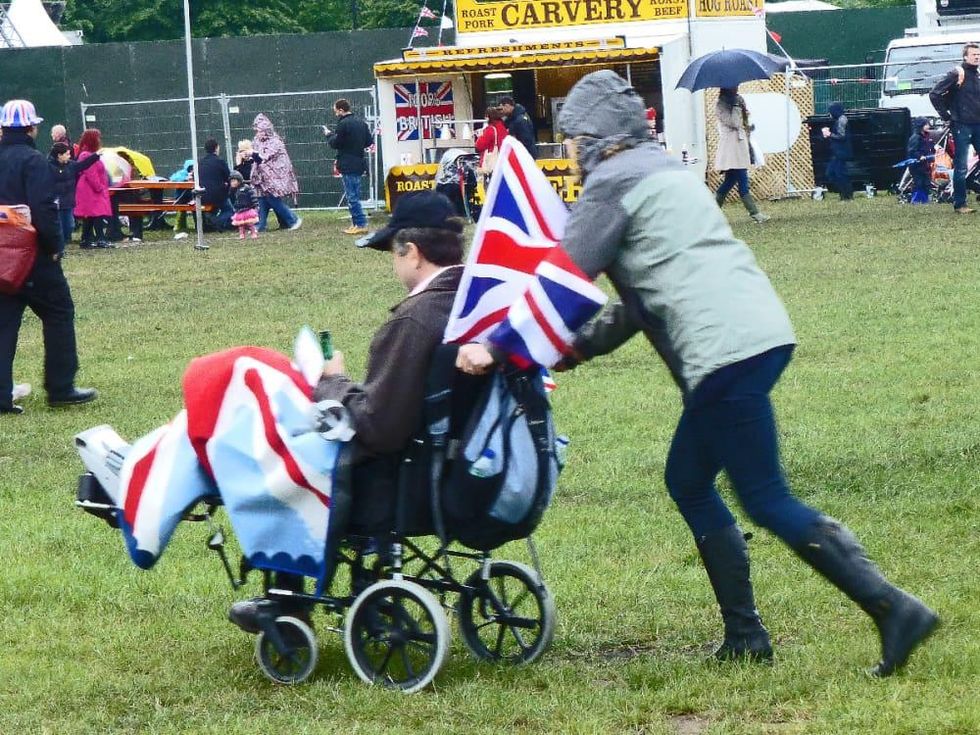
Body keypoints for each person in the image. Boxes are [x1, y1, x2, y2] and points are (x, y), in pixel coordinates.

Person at [455, 71, 938, 678]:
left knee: (766, 497)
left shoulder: (612, 185)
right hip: (758, 333)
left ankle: (894, 609)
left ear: (598, 138)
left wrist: (498, 347)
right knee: (688, 478)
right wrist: (567, 354)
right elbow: (636, 302)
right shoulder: (665, 174)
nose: (570, 153)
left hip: (722, 355)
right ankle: (745, 634)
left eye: (573, 140)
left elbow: (561, 284)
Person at [228, 190, 465, 632]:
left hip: (401, 477)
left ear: (411, 253)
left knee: (293, 463)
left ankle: (289, 603)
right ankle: (364, 582)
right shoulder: (477, 304)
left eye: (392, 255)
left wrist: (332, 380)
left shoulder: (414, 320)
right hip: (455, 463)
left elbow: (377, 426)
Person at [0, 99, 97, 414]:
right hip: (33, 255)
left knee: (4, 323)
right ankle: (61, 387)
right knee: (59, 313)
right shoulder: (33, 161)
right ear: (31, 127)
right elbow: (43, 208)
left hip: (1, 255)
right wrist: (55, 246)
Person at [929, 42, 980, 214]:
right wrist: (947, 117)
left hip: (977, 124)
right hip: (962, 126)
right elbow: (934, 94)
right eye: (974, 54)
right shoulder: (957, 73)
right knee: (961, 166)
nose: (977, 57)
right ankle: (960, 204)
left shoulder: (977, 75)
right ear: (965, 56)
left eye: (978, 54)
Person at [714, 87, 770, 223]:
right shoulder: (721, 104)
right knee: (742, 179)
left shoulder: (738, 100)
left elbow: (742, 123)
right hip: (731, 147)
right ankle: (755, 213)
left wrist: (744, 113)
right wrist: (736, 107)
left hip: (739, 145)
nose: (736, 88)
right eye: (733, 86)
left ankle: (712, 213)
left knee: (730, 181)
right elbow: (734, 123)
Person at [325, 98, 372, 235]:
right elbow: (369, 142)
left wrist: (329, 136)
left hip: (347, 163)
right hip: (359, 162)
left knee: (352, 196)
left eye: (336, 111)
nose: (335, 114)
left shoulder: (343, 124)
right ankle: (356, 223)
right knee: (355, 194)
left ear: (341, 110)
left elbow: (336, 143)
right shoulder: (361, 123)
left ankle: (360, 223)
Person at [251, 113, 302, 232]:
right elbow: (255, 157)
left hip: (275, 175)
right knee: (262, 198)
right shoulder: (257, 141)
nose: (257, 134)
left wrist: (251, 154)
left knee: (272, 198)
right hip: (261, 176)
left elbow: (263, 157)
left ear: (266, 130)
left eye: (259, 131)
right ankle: (260, 225)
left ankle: (293, 219)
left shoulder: (275, 142)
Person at [48, 141, 100, 248]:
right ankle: (58, 245)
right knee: (58, 225)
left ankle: (64, 240)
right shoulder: (48, 166)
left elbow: (83, 165)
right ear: (59, 155)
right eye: (67, 154)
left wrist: (96, 156)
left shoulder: (71, 165)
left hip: (68, 200)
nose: (69, 156)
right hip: (55, 201)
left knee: (69, 225)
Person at [73, 128, 114, 249]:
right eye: (97, 138)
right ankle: (100, 238)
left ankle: (86, 239)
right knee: (97, 214)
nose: (99, 140)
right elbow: (91, 173)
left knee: (90, 216)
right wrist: (99, 187)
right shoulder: (86, 155)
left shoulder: (88, 154)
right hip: (90, 189)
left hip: (91, 188)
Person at [198, 138, 234, 230]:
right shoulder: (220, 162)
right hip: (218, 195)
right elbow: (229, 177)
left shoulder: (200, 162)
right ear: (216, 148)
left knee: (215, 208)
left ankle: (212, 221)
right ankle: (215, 221)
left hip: (202, 195)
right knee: (229, 211)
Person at [822, 102, 854, 201]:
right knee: (833, 173)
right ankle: (844, 194)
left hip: (841, 153)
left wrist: (829, 134)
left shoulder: (841, 120)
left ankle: (846, 195)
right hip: (838, 153)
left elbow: (841, 136)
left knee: (839, 174)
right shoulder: (840, 119)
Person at [907, 117, 935, 204]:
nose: (928, 126)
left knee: (926, 182)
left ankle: (924, 200)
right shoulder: (915, 137)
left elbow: (929, 147)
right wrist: (920, 156)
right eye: (926, 124)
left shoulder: (926, 137)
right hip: (916, 166)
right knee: (919, 182)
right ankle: (915, 200)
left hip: (925, 165)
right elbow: (912, 151)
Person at [474, 106, 507, 174]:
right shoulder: (503, 127)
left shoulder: (490, 130)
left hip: (491, 164)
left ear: (488, 117)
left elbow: (479, 146)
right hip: (503, 161)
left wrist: (479, 136)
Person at [228, 171, 259, 240]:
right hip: (239, 209)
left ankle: (253, 232)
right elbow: (232, 198)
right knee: (240, 224)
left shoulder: (246, 188)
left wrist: (255, 204)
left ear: (239, 180)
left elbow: (252, 195)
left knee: (250, 222)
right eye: (231, 181)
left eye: (234, 181)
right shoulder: (233, 190)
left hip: (247, 208)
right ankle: (242, 234)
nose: (232, 183)